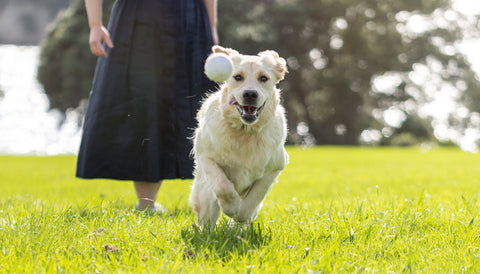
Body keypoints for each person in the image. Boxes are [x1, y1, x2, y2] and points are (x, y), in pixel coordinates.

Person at [76, 0, 218, 212]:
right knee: (143, 104)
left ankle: (216, 200)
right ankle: (147, 204)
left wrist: (212, 26)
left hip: (189, 17)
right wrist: (95, 25)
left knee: (193, 104)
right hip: (139, 16)